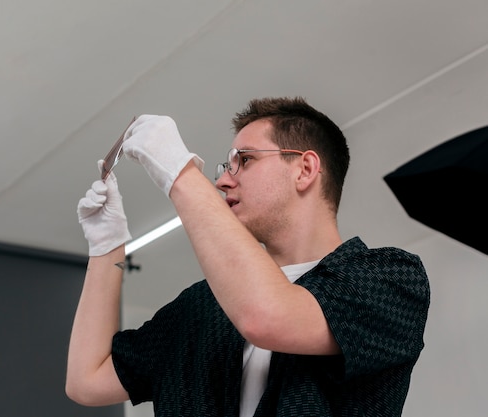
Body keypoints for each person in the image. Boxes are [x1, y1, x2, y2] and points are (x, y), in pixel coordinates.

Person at [66, 96, 430, 416]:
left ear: (305, 169)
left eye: (245, 160)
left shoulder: (390, 278)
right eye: (227, 166)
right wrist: (106, 247)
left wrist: (180, 174)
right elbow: (88, 380)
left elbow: (268, 317)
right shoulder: (202, 306)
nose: (223, 181)